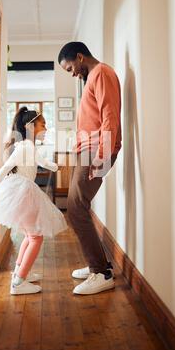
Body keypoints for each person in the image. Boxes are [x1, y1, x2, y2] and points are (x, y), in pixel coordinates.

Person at [0, 107, 68, 295]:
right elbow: (5, 168)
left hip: (22, 190)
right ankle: (19, 282)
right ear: (30, 126)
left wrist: (56, 166)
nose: (46, 128)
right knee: (36, 236)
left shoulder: (27, 146)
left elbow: (43, 162)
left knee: (31, 236)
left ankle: (20, 274)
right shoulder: (26, 146)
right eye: (43, 124)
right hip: (23, 191)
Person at [58, 42, 122, 295]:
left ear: (80, 57)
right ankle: (98, 264)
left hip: (96, 150)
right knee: (77, 207)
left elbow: (110, 116)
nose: (73, 73)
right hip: (85, 150)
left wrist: (102, 157)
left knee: (75, 207)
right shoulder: (92, 77)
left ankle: (101, 272)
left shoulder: (102, 73)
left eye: (71, 68)